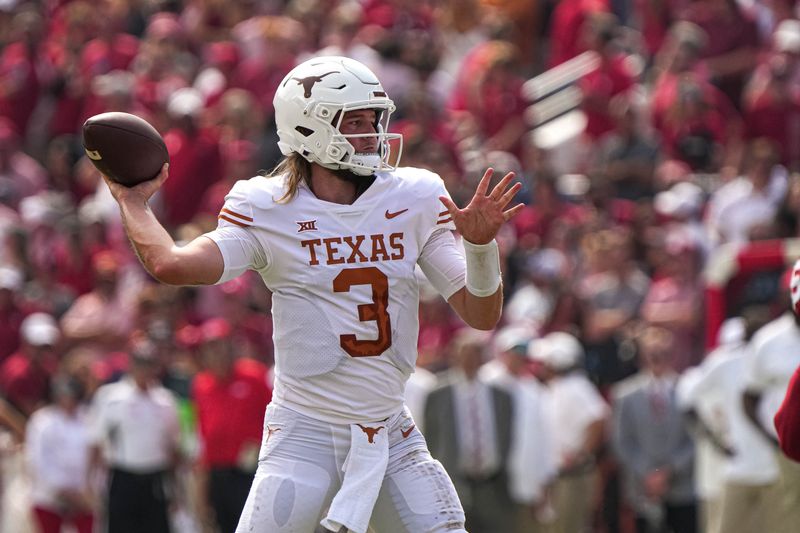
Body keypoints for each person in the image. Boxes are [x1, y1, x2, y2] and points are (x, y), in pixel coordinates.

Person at [100, 55, 522, 533]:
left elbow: (481, 313)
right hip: (305, 433)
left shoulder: (415, 196)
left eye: (374, 119)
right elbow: (171, 265)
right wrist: (132, 202)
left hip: (388, 430)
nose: (372, 133)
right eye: (355, 121)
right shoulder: (267, 205)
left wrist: (481, 247)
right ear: (308, 128)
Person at [423, 329, 516, 533]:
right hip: (454, 482)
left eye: (475, 354)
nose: (469, 360)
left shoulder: (501, 395)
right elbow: (430, 438)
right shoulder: (438, 393)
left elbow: (507, 436)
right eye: (464, 354)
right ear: (454, 355)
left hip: (492, 483)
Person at [88, 337, 181, 533]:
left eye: (148, 363)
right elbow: (96, 442)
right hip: (124, 478)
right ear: (130, 363)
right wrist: (91, 484)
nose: (144, 368)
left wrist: (176, 489)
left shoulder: (165, 400)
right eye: (139, 362)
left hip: (155, 478)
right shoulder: (111, 397)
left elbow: (173, 447)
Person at [192, 317, 272, 533]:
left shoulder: (253, 376)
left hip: (250, 472)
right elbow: (203, 437)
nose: (216, 353)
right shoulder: (202, 385)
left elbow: (274, 419)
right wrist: (202, 493)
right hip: (218, 475)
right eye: (210, 348)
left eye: (220, 346)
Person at [25, 374, 95, 533]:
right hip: (49, 497)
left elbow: (95, 455)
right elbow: (37, 460)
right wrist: (62, 490)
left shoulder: (88, 419)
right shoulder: (42, 421)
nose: (68, 401)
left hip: (82, 497)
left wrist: (86, 490)